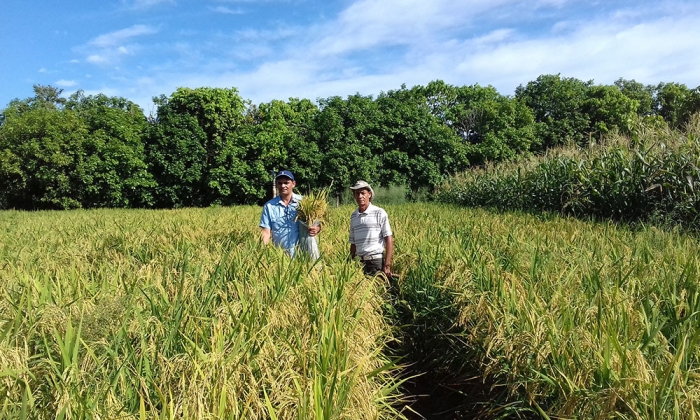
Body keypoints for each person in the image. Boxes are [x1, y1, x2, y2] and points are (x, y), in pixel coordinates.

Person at [260, 170, 320, 256]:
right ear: (277, 185)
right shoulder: (269, 206)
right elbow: (266, 232)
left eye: (286, 183)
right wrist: (263, 253)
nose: (283, 185)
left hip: (303, 254)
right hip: (280, 256)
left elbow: (316, 224)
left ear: (293, 183)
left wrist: (316, 229)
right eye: (280, 183)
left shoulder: (304, 203)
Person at [348, 180, 393, 276]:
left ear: (369, 194)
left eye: (363, 193)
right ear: (354, 196)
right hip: (359, 263)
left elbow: (388, 238)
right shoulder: (354, 216)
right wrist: (350, 263)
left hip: (375, 262)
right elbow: (353, 243)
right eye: (357, 193)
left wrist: (387, 265)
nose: (360, 196)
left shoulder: (379, 212)